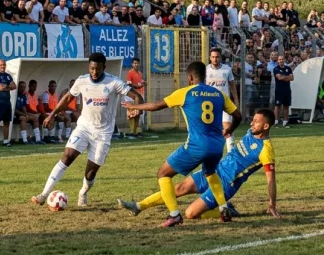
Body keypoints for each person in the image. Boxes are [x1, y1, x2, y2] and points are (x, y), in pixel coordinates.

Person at [121, 61, 240, 226]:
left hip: (197, 145)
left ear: (190, 77)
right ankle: (223, 208)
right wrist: (229, 130)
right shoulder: (218, 94)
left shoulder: (185, 93)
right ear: (205, 76)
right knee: (211, 174)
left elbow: (156, 106)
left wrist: (135, 105)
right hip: (217, 146)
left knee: (163, 173)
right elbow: (238, 116)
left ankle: (174, 214)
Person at [119, 108, 279, 221]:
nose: (251, 124)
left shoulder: (265, 150)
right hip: (214, 171)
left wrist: (272, 204)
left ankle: (226, 209)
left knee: (190, 214)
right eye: (253, 120)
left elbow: (271, 179)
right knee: (178, 188)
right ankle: (139, 206)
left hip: (226, 184)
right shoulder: (251, 132)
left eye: (256, 122)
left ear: (265, 127)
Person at [31, 53, 143, 208]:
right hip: (83, 127)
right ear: (88, 67)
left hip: (103, 133)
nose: (94, 72)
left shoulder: (114, 82)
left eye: (97, 69)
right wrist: (52, 114)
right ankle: (44, 194)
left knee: (91, 171)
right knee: (67, 156)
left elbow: (137, 96)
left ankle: (83, 192)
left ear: (104, 67)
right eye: (91, 68)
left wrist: (137, 109)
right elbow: (68, 98)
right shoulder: (82, 80)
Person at [205, 49, 238, 152]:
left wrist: (236, 99)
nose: (215, 59)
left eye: (217, 57)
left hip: (224, 103)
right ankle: (210, 152)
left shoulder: (227, 69)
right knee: (210, 129)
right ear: (210, 58)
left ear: (220, 57)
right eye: (213, 57)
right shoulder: (205, 70)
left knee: (227, 127)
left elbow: (232, 84)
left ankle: (230, 153)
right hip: (209, 104)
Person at [14, 81, 43, 145]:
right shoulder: (15, 95)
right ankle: (25, 140)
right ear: (18, 87)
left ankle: (38, 139)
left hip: (22, 113)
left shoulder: (23, 95)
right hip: (15, 115)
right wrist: (24, 114)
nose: (23, 88)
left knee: (35, 118)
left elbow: (24, 106)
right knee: (24, 118)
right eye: (21, 87)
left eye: (24, 87)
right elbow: (14, 110)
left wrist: (26, 113)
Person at [125, 58, 146, 137]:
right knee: (131, 113)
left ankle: (136, 131)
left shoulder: (140, 73)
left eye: (137, 63)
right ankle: (131, 131)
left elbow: (140, 82)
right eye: (134, 63)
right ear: (132, 64)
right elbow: (129, 84)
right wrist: (138, 86)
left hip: (139, 96)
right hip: (132, 96)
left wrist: (143, 83)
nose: (136, 65)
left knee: (138, 113)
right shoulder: (130, 73)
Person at [272, 55, 293, 128]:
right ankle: (276, 122)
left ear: (284, 60)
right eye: (279, 59)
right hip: (279, 90)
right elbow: (279, 78)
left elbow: (292, 78)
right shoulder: (276, 69)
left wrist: (284, 77)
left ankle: (285, 122)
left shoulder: (288, 68)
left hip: (287, 89)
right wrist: (287, 77)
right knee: (277, 106)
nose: (281, 60)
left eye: (282, 59)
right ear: (278, 60)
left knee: (286, 106)